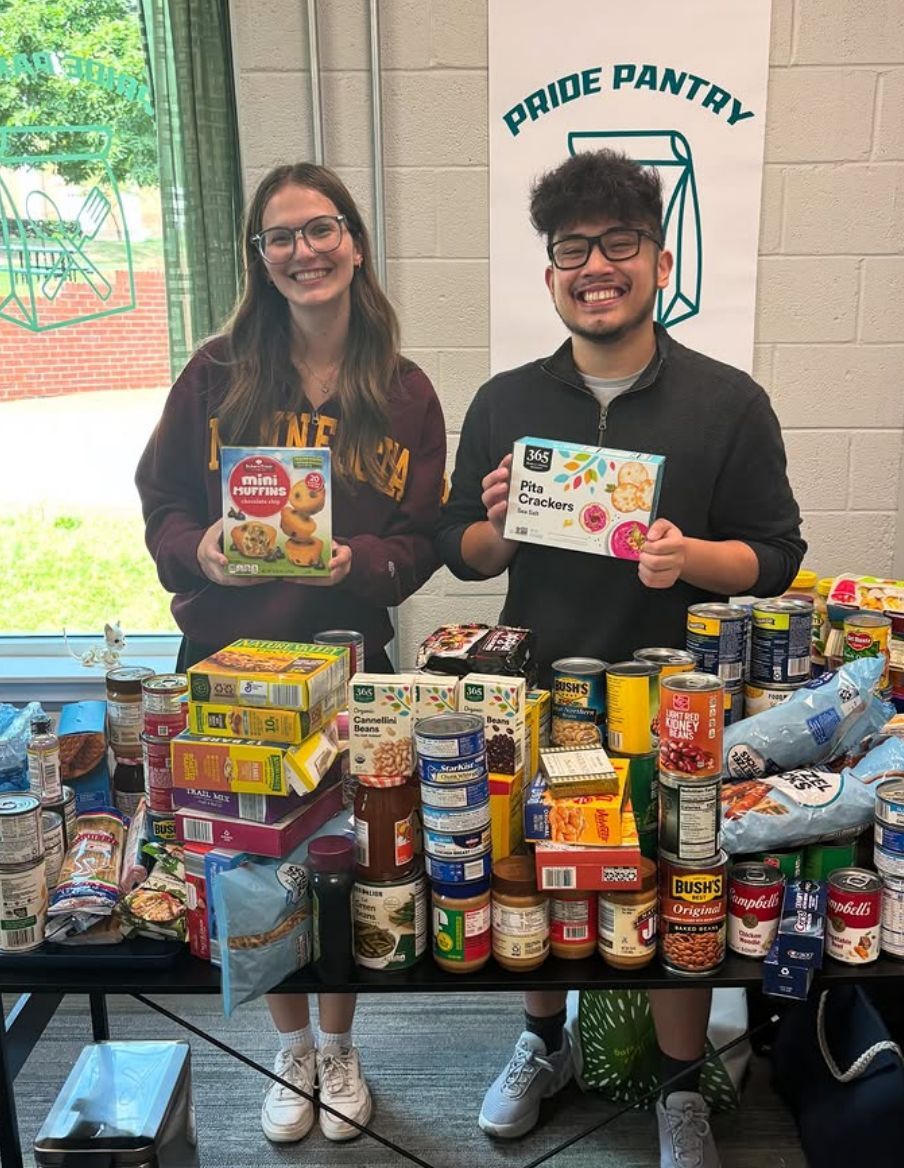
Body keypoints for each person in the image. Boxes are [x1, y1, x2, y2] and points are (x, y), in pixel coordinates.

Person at [436, 150, 805, 1168]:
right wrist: (497, 527)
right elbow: (459, 551)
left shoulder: (728, 401)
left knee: (673, 875)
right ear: (550, 272)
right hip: (540, 687)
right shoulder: (506, 399)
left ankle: (680, 1084)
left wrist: (691, 558)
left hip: (675, 699)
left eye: (618, 244)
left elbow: (777, 554)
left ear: (660, 260)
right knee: (534, 868)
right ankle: (543, 1041)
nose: (595, 267)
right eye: (572, 250)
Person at [136, 162, 446, 1145]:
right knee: (249, 861)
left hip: (347, 660)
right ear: (259, 257)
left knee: (342, 856)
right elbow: (161, 501)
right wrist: (200, 550)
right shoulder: (216, 373)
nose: (303, 251)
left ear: (353, 240)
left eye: (321, 229)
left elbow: (423, 539)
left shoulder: (403, 390)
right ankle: (291, 1046)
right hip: (228, 657)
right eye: (280, 236)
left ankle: (340, 1045)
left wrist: (363, 560)